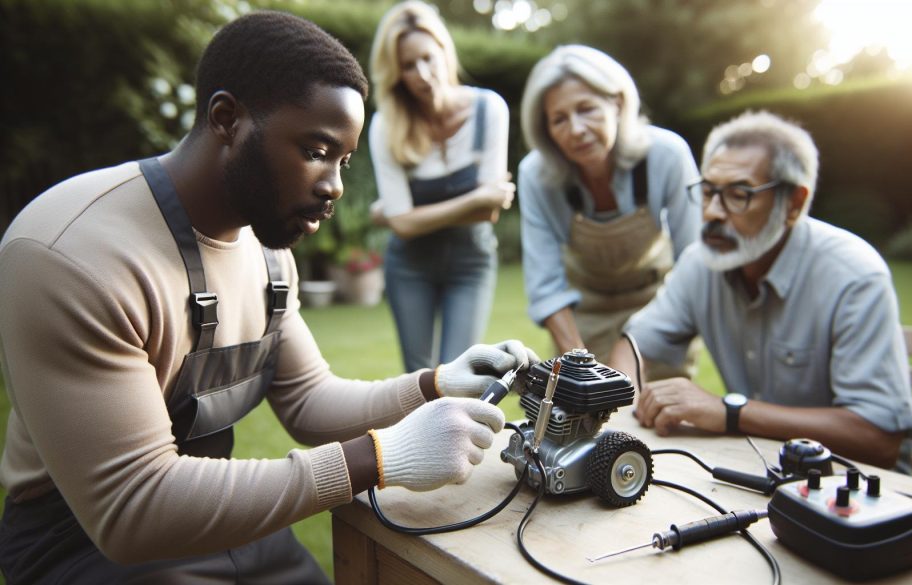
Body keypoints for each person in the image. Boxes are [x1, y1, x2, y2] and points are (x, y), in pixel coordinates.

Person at [0, 12, 538, 584]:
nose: (335, 186)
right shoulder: (74, 253)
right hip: (82, 545)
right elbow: (132, 508)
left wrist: (436, 383)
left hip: (214, 509)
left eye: (343, 160)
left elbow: (308, 400)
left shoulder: (267, 253)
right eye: (316, 150)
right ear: (227, 119)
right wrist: (380, 457)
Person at [607, 110, 912, 470]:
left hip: (851, 485)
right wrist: (629, 411)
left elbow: (878, 438)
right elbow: (633, 344)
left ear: (793, 204)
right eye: (708, 191)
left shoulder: (854, 276)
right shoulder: (702, 263)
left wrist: (731, 413)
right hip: (758, 466)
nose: (712, 212)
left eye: (738, 195)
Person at [517, 45, 702, 376]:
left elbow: (695, 261)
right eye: (559, 119)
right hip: (583, 314)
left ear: (617, 103)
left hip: (658, 306)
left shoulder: (668, 155)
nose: (576, 130)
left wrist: (635, 350)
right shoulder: (535, 176)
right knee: (580, 404)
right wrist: (581, 367)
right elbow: (546, 288)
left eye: (586, 109)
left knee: (654, 405)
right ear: (546, 130)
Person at [367, 1, 515, 372]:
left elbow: (489, 213)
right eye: (407, 65)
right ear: (395, 73)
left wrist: (401, 214)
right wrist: (477, 197)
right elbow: (405, 226)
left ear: (444, 51)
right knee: (418, 377)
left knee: (459, 375)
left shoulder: (489, 109)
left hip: (471, 261)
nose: (422, 73)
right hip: (410, 266)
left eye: (427, 58)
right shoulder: (387, 126)